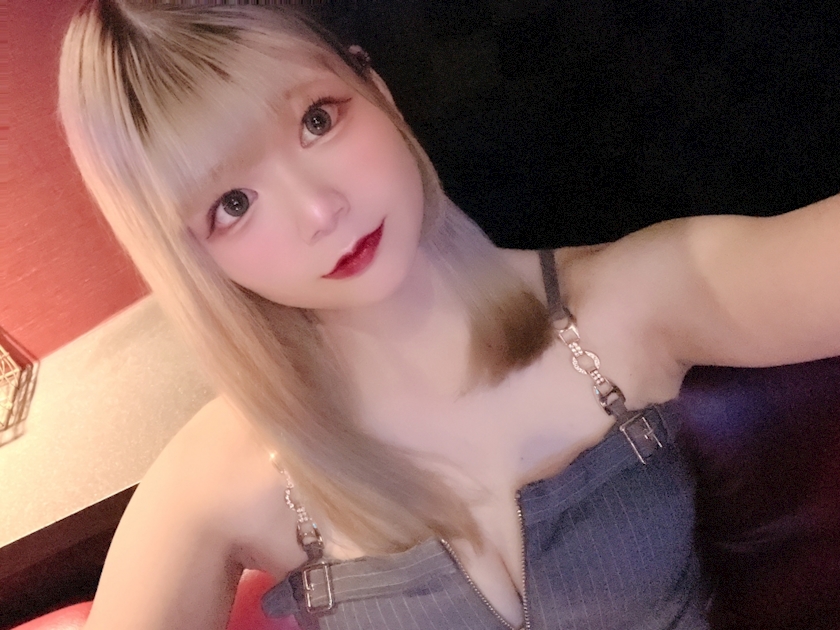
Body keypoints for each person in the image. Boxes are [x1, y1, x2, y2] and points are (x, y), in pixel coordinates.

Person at [57, 2, 840, 629]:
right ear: (194, 258)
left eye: (317, 120)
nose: (320, 211)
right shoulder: (213, 485)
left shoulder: (631, 303)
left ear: (377, 90)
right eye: (233, 203)